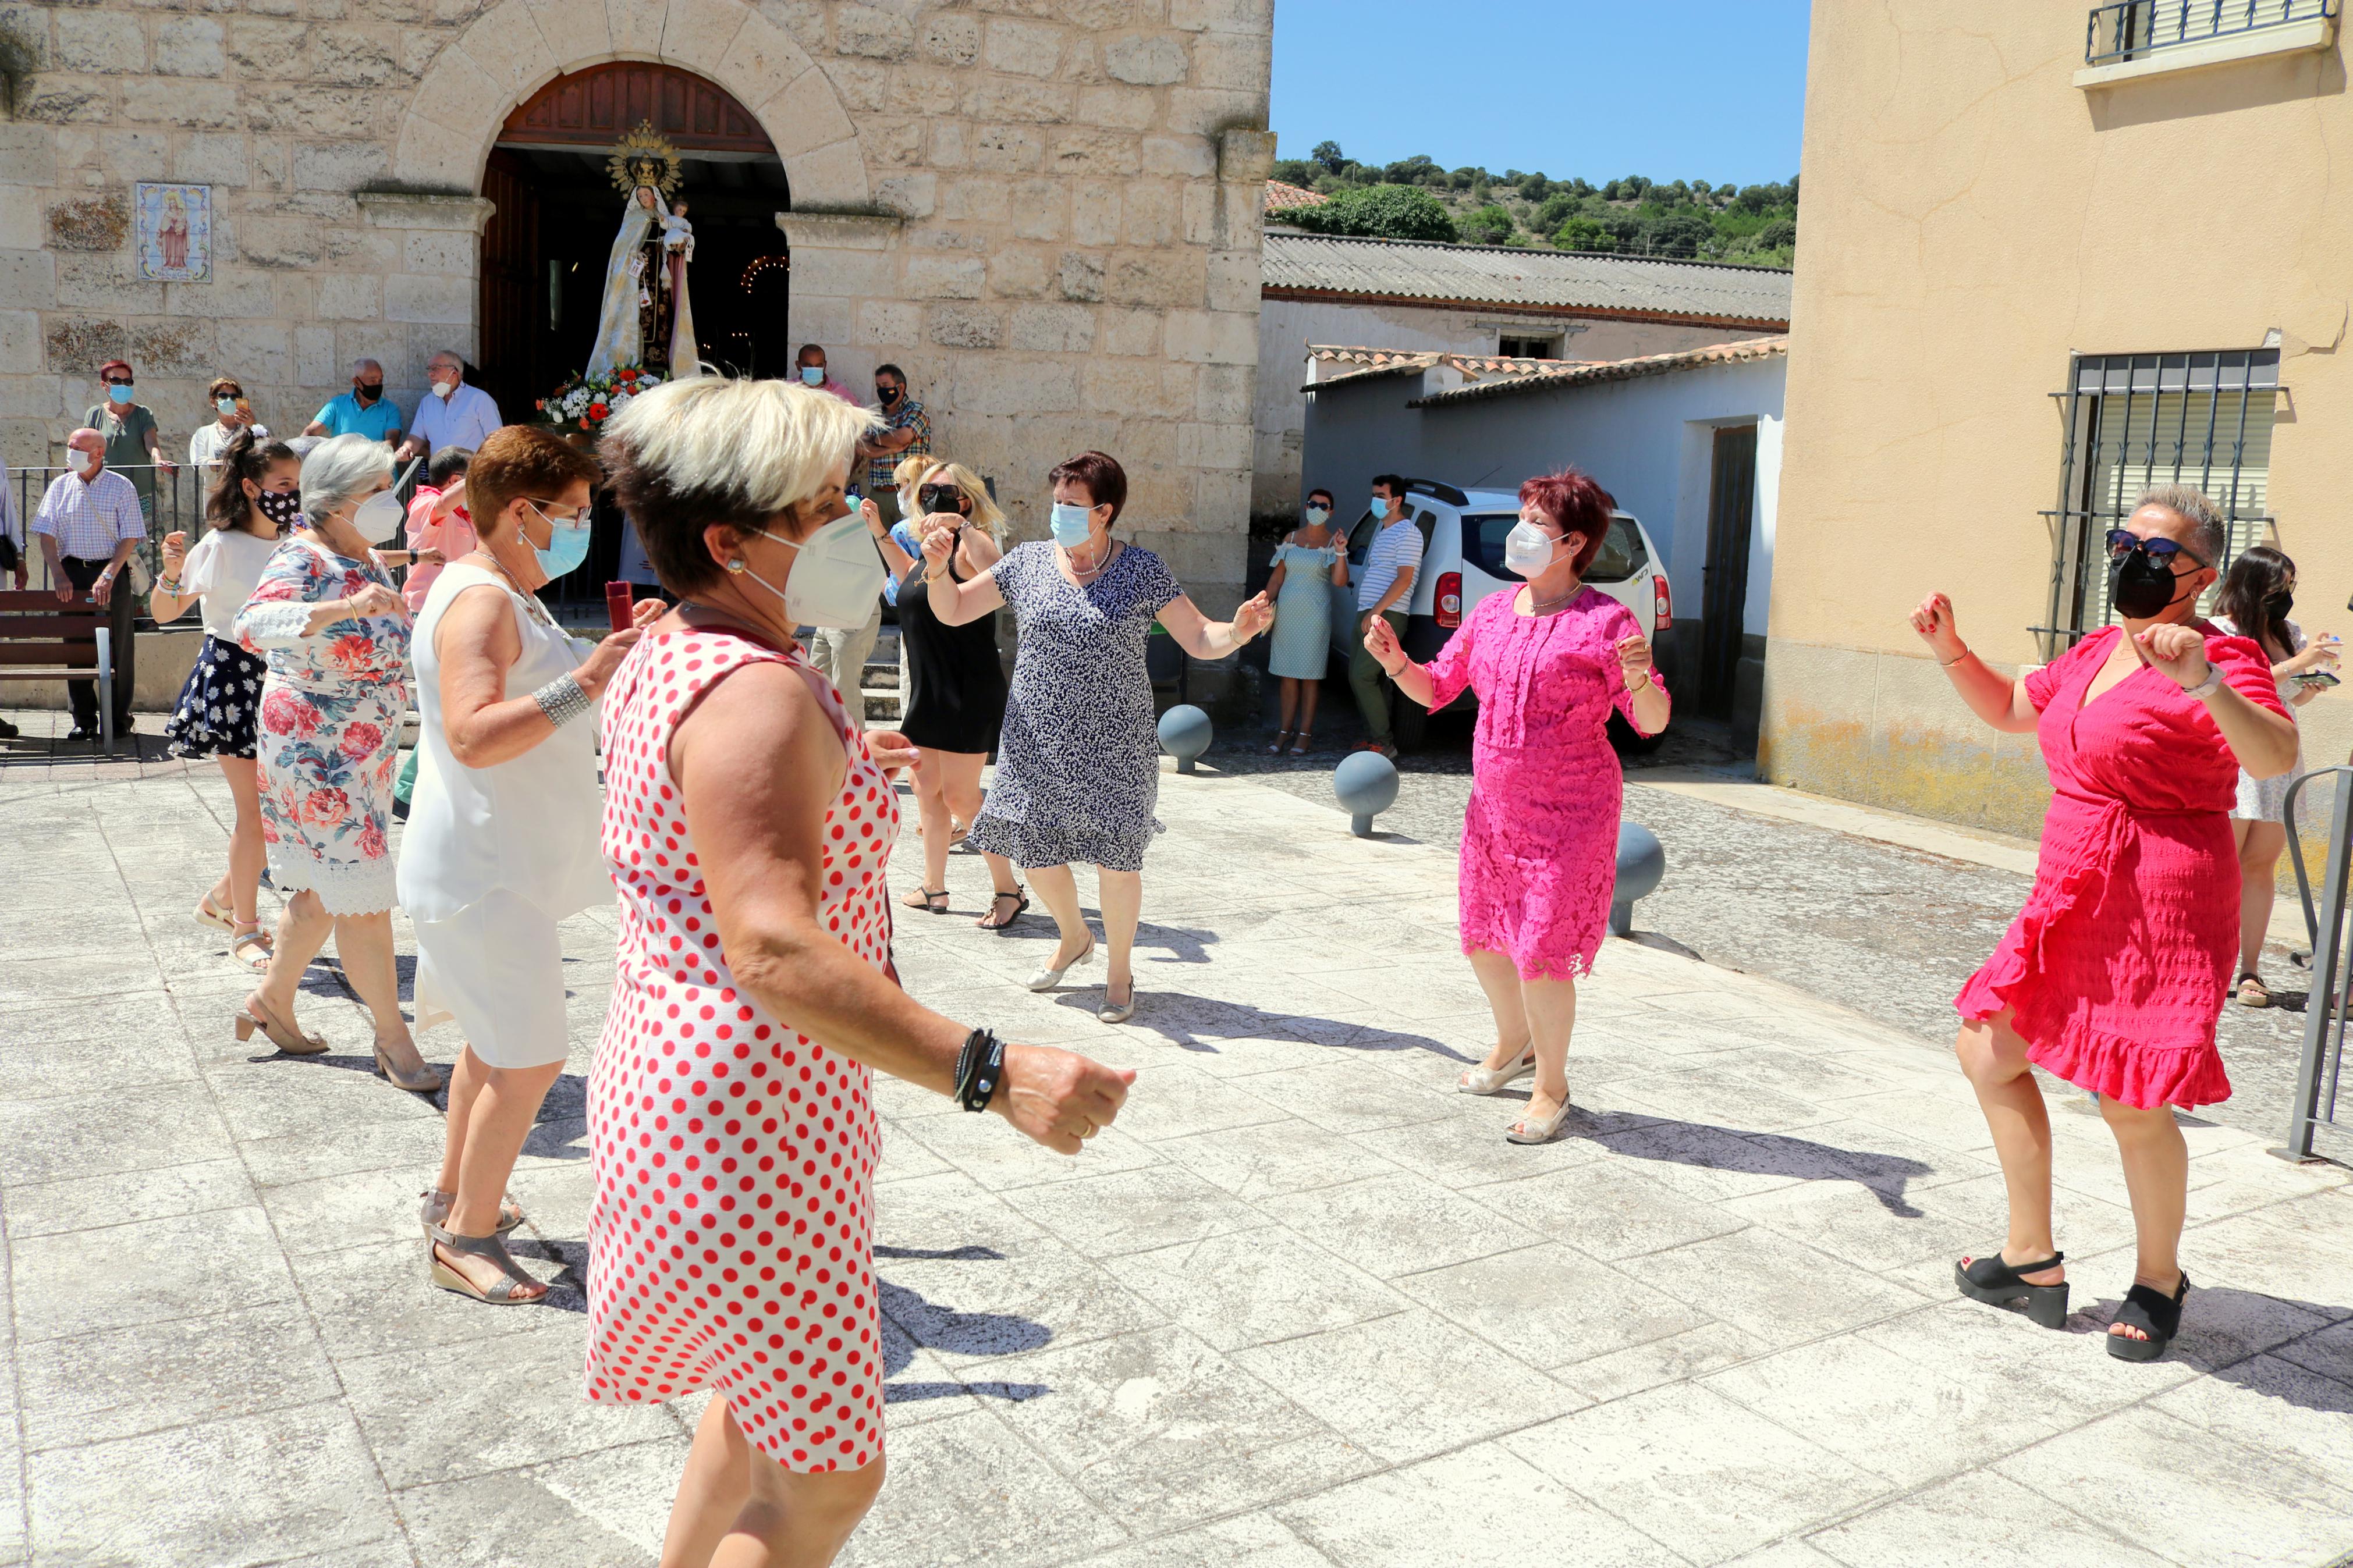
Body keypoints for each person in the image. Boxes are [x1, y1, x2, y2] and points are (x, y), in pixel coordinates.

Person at [587, 376, 1133, 1562]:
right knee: (825, 1479)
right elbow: (772, 945)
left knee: (748, 1414)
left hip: (690, 1097)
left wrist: (833, 757)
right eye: (820, 505)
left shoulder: (672, 652)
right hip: (750, 1127)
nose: (851, 526)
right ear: (729, 541)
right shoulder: (758, 695)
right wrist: (991, 1072)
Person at [1913, 484, 2298, 1363]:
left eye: (2157, 551)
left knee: (2130, 1098)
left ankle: (2158, 1278)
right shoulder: (2094, 649)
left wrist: (2197, 679)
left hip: (2160, 894)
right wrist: (1950, 650)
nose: (2131, 558)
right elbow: (2015, 707)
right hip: (2072, 880)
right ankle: (2027, 1258)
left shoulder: (2224, 656)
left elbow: (2273, 754)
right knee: (1986, 1047)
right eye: (2124, 541)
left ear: (2196, 576)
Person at [402, 426, 659, 1304]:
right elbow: (475, 734)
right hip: (483, 867)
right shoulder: (479, 601)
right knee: (532, 1058)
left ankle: (452, 1194)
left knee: (492, 1044)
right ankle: (464, 1236)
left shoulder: (499, 587)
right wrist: (586, 681)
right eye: (575, 514)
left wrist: (607, 668)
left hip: (490, 859)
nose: (584, 528)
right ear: (522, 512)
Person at [1364, 468, 1670, 1143]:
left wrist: (1639, 676)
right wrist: (1393, 661)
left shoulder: (1606, 621)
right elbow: (1436, 688)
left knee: (1540, 953)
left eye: (1536, 521)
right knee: (1483, 941)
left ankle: (1551, 1088)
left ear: (1573, 542)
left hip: (1571, 816)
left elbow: (1650, 720)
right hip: (1494, 814)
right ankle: (1513, 1044)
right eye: (1522, 516)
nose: (1520, 531)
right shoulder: (1493, 612)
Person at [925, 450, 1274, 1023]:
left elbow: (1200, 638)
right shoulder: (1028, 563)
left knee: (1116, 861)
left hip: (1117, 744)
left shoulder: (1141, 569)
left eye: (1071, 504)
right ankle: (1072, 936)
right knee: (1032, 849)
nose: (1058, 512)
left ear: (1104, 511)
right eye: (1055, 502)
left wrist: (1236, 630)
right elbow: (956, 610)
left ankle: (1118, 973)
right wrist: (939, 570)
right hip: (1035, 739)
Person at [232, 434, 443, 1094]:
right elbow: (253, 622)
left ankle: (271, 1000)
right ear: (337, 500)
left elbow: (370, 568)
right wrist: (344, 610)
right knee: (363, 891)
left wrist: (414, 558)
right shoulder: (302, 554)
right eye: (378, 491)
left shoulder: (359, 551)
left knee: (328, 886)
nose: (392, 499)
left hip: (361, 751)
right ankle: (392, 1037)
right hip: (317, 749)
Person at [151, 431, 303, 970]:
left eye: (297, 484)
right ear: (251, 486)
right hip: (234, 678)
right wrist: (170, 575)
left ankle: (221, 899)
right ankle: (245, 928)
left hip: (284, 677)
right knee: (256, 815)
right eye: (284, 484)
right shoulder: (219, 545)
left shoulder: (296, 541)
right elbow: (167, 612)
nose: (293, 494)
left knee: (280, 812)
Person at [2209, 545, 2338, 1007]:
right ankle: (2207, 964)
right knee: (2219, 865)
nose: (2286, 594)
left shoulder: (2288, 631)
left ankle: (2249, 968)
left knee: (2260, 865)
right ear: (2252, 583)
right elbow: (2236, 680)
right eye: (2279, 585)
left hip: (2279, 755)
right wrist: (2297, 666)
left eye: (2290, 586)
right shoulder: (2221, 630)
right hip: (2235, 753)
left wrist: (2313, 683)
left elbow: (2290, 697)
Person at [882, 460, 1012, 918]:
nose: (936, 498)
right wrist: (881, 534)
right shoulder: (928, 551)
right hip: (929, 689)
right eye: (928, 492)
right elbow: (905, 588)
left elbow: (1006, 576)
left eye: (947, 491)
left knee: (961, 797)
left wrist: (964, 525)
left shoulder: (972, 545)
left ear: (968, 497)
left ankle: (1009, 889)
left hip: (967, 687)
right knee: (927, 791)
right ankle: (933, 888)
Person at [809, 366, 928, 698]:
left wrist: (882, 443)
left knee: (901, 552)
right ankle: (887, 603)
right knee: (879, 552)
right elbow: (864, 447)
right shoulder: (876, 414)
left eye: (887, 386)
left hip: (904, 495)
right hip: (880, 491)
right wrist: (881, 444)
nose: (882, 391)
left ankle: (898, 608)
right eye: (879, 386)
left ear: (901, 386)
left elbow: (902, 439)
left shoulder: (915, 412)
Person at [33, 428, 144, 742]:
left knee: (119, 648)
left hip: (111, 573)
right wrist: (57, 574)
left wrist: (108, 574)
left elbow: (130, 535)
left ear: (98, 453)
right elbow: (46, 533)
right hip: (72, 575)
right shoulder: (60, 486)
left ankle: (119, 718)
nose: (71, 452)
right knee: (77, 648)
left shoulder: (121, 486)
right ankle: (83, 718)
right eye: (69, 446)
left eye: (77, 447)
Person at [1262, 486, 1348, 755]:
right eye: (1314, 505)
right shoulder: (1291, 537)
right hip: (1288, 614)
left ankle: (1305, 734)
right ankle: (1284, 732)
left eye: (1324, 506)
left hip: (1315, 617)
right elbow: (1277, 578)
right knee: (1287, 675)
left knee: (1310, 676)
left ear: (1331, 512)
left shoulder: (1331, 543)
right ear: (1306, 507)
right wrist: (1262, 603)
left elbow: (1339, 581)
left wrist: (1341, 552)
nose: (1317, 510)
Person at [1348, 474, 1423, 758]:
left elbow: (1405, 579)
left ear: (1397, 500)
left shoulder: (1408, 533)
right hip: (1369, 613)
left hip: (1386, 615)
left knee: (1363, 676)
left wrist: (1377, 612)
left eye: (1380, 496)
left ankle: (1384, 741)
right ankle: (1373, 738)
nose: (1375, 501)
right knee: (1363, 678)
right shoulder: (1383, 531)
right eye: (1374, 495)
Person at [85, 359, 176, 525]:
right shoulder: (95, 414)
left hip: (140, 490)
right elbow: (86, 447)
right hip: (104, 490)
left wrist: (158, 460)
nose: (122, 385)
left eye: (128, 381)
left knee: (149, 544)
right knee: (109, 544)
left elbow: (152, 443)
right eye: (116, 380)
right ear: (104, 385)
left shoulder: (143, 413)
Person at [399, 446, 473, 614]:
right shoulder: (425, 501)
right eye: (476, 477)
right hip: (427, 610)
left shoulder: (465, 513)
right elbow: (442, 506)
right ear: (455, 481)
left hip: (457, 608)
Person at [399, 351, 502, 463]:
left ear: (454, 372)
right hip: (440, 476)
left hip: (472, 476)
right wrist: (406, 449)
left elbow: (496, 440)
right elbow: (416, 437)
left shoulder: (480, 399)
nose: (430, 374)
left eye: (436, 368)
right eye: (430, 369)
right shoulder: (427, 403)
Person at [305, 359, 404, 446]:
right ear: (357, 382)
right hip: (343, 467)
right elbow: (311, 432)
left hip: (377, 467)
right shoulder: (337, 405)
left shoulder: (390, 409)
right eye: (373, 381)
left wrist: (359, 456)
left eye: (380, 380)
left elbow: (392, 443)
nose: (378, 385)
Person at [187, 376, 269, 470]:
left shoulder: (250, 429)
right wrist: (230, 463)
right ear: (213, 402)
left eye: (234, 397)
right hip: (217, 484)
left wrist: (252, 426)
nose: (229, 400)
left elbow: (266, 456)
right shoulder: (203, 433)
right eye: (223, 396)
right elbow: (199, 466)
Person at [794, 343, 862, 405]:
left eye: (818, 366)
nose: (814, 369)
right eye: (809, 366)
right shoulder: (790, 391)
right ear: (798, 365)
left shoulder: (840, 393)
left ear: (825, 366)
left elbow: (858, 416)